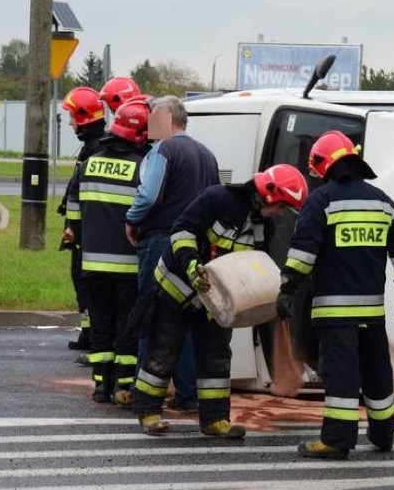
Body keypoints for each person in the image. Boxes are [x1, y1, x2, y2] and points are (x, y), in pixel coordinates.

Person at [276, 130, 394, 460]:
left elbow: (303, 253)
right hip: (372, 314)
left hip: (334, 313)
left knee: (341, 375)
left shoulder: (322, 201)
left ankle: (336, 440)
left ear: (324, 165)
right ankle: (383, 434)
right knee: (377, 372)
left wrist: (288, 289)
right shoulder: (383, 202)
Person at [133, 163, 309, 437]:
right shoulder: (217, 199)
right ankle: (148, 412)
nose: (280, 213)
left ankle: (215, 420)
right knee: (163, 350)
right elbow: (182, 232)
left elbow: (253, 265)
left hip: (215, 301)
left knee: (216, 356)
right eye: (282, 206)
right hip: (177, 288)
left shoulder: (264, 226)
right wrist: (191, 265)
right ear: (269, 195)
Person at [125, 95, 217, 413]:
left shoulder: (163, 149)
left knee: (151, 316)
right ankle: (188, 394)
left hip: (161, 241)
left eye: (153, 117)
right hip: (194, 248)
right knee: (188, 319)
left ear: (166, 118)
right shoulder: (207, 154)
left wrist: (132, 218)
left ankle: (144, 391)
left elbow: (149, 194)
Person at [71, 96, 148, 405]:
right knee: (126, 327)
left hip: (92, 263)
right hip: (128, 266)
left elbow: (74, 210)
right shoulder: (142, 168)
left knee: (100, 326)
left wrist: (81, 239)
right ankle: (123, 386)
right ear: (140, 135)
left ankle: (100, 386)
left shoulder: (89, 165)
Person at [58, 87, 109, 352]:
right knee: (81, 281)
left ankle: (92, 336)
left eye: (71, 117)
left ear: (84, 117)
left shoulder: (94, 149)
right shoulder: (92, 146)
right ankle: (88, 333)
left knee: (86, 282)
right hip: (86, 230)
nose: (69, 123)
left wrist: (74, 227)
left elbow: (82, 193)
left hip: (88, 231)